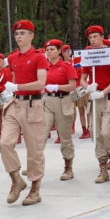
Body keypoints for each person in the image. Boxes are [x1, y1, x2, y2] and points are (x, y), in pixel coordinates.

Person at [0, 19, 48, 206]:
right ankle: (16, 180)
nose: (19, 36)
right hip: (14, 103)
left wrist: (17, 86)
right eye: (16, 34)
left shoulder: (39, 57)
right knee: (5, 143)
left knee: (34, 149)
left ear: (31, 35)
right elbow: (13, 80)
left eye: (22, 33)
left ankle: (35, 189)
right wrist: (10, 90)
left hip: (32, 105)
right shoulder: (12, 57)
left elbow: (41, 83)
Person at [80, 25, 110, 184]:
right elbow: (82, 79)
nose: (92, 40)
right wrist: (88, 87)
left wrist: (104, 92)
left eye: (95, 37)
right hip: (94, 98)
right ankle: (103, 168)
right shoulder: (88, 56)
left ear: (102, 37)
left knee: (107, 131)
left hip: (109, 96)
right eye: (90, 38)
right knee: (96, 133)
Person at [40, 39, 78, 180]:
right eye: (47, 49)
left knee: (65, 136)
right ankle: (36, 166)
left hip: (63, 100)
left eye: (52, 49)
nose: (49, 52)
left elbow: (72, 86)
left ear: (59, 51)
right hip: (48, 101)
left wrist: (57, 87)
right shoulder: (45, 67)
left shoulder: (66, 66)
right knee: (41, 134)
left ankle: (68, 168)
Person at [0, 53, 13, 140]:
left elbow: (8, 83)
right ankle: (0, 130)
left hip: (4, 94)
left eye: (0, 61)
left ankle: (6, 131)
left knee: (5, 114)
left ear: (3, 61)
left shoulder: (6, 71)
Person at [61, 45, 77, 135]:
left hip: (73, 88)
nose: (68, 53)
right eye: (66, 51)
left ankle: (72, 125)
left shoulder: (74, 62)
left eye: (69, 51)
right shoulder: (60, 62)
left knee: (72, 108)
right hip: (63, 88)